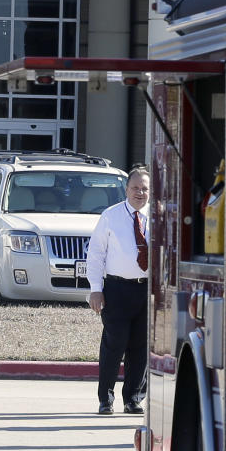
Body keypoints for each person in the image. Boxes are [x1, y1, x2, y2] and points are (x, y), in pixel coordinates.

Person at [86, 163, 150, 415]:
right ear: (126, 189)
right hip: (116, 289)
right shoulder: (110, 216)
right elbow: (96, 254)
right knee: (115, 345)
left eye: (144, 189)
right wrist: (95, 289)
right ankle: (106, 399)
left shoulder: (160, 216)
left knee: (140, 348)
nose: (140, 193)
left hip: (146, 291)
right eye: (135, 188)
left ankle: (133, 398)